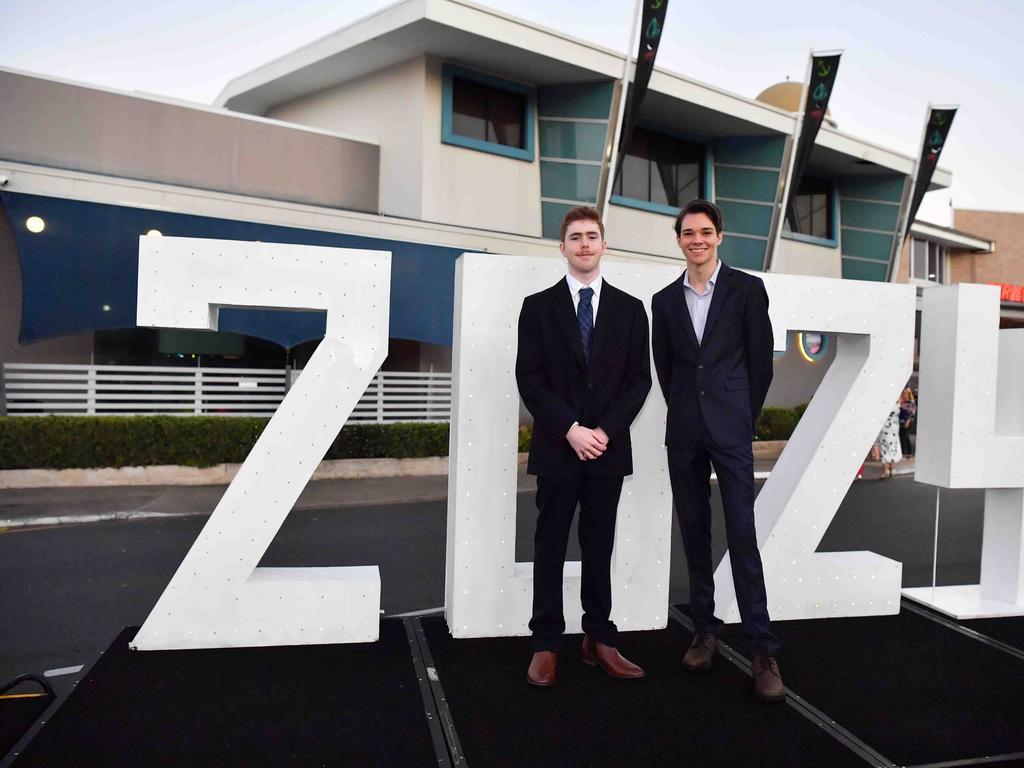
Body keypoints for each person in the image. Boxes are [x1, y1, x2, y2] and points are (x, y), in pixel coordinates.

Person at [650, 199, 784, 703]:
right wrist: (688, 409)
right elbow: (666, 367)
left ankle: (762, 650)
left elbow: (760, 362)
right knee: (695, 535)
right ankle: (704, 630)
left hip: (730, 430)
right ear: (679, 239)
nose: (697, 240)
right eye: (688, 233)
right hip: (684, 431)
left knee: (743, 537)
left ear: (719, 237)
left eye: (705, 232)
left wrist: (741, 418)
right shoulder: (664, 301)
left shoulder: (748, 290)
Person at [516, 206, 651, 687]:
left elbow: (639, 382)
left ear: (604, 245)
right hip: (558, 448)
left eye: (592, 236)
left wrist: (605, 431)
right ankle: (546, 643)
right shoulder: (537, 307)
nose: (585, 244)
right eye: (575, 237)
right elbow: (529, 380)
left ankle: (599, 638)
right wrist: (571, 428)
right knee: (550, 545)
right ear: (563, 248)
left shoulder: (632, 310)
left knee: (599, 546)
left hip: (607, 451)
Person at [878, 401, 902, 479]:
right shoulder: (898, 402)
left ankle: (886, 471)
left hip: (885, 427)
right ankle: (891, 470)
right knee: (892, 448)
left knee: (884, 448)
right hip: (895, 427)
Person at [898, 386, 916, 458]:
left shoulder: (911, 403)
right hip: (901, 422)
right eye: (903, 393)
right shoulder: (902, 402)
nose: (904, 394)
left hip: (907, 422)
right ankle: (906, 453)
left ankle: (907, 453)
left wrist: (908, 421)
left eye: (905, 393)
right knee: (903, 437)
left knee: (905, 437)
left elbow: (912, 413)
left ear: (908, 394)